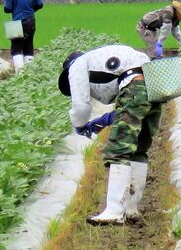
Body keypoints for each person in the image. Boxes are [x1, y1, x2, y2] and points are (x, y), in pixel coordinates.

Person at [58, 46, 161, 225]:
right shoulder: (104, 58)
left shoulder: (77, 66)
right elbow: (132, 107)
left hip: (136, 85)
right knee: (138, 147)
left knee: (119, 147)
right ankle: (131, 209)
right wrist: (105, 120)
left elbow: (81, 106)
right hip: (155, 84)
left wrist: (80, 125)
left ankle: (114, 211)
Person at [3, 0, 43, 72]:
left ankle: (20, 72)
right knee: (29, 46)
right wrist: (31, 10)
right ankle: (29, 72)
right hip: (30, 21)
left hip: (16, 22)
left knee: (16, 47)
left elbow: (7, 9)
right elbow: (39, 4)